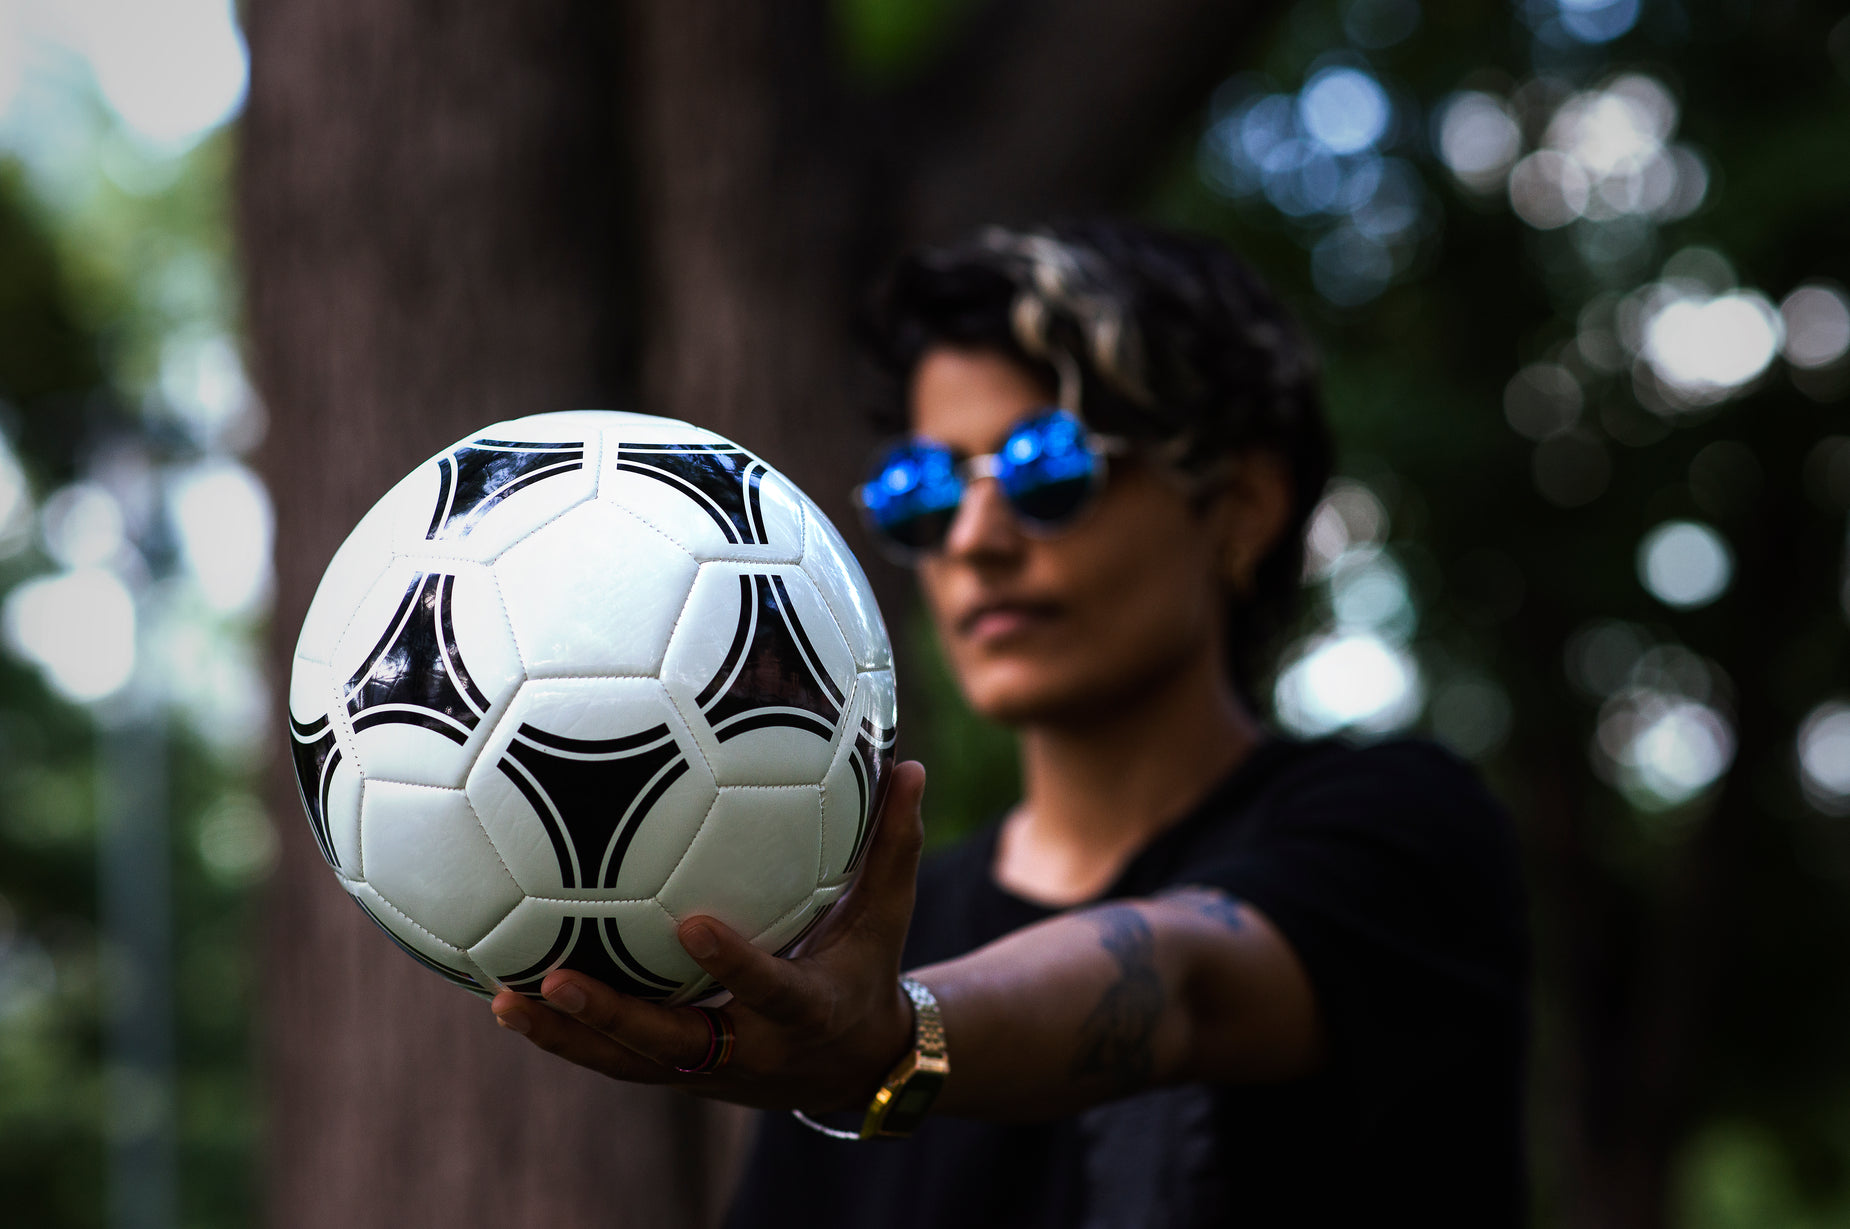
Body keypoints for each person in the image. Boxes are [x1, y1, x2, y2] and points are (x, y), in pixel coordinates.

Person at [488, 220, 1530, 1228]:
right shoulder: (856, 947)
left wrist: (895, 1039)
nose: (975, 538)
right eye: (924, 489)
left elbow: (1186, 983)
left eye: (1044, 467)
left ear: (1242, 505)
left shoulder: (1404, 829)